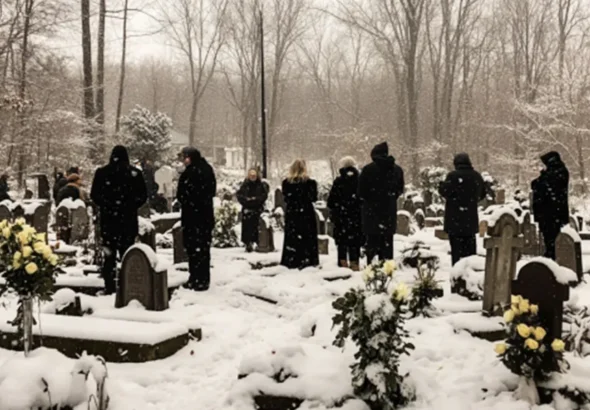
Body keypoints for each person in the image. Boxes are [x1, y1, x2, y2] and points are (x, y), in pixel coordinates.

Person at [90, 146, 147, 294]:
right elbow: (142, 196)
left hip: (109, 220)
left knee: (109, 255)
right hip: (127, 220)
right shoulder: (134, 174)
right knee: (127, 254)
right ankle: (127, 285)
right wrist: (129, 205)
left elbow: (95, 195)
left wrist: (108, 204)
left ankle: (109, 285)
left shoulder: (102, 173)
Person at [176, 147, 216, 291]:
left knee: (195, 249)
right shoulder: (206, 170)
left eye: (185, 158)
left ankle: (196, 278)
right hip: (203, 216)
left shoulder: (191, 173)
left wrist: (190, 200)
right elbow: (211, 191)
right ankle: (201, 278)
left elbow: (181, 195)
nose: (184, 161)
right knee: (201, 249)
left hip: (193, 216)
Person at [358, 142, 404, 263]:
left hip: (371, 214)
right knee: (387, 246)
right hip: (389, 213)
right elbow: (399, 189)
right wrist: (390, 197)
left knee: (372, 246)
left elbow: (361, 192)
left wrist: (371, 199)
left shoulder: (368, 170)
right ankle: (387, 269)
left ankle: (372, 273)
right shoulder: (397, 170)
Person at [438, 153, 486, 266]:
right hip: (470, 220)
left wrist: (441, 186)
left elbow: (445, 192)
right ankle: (469, 277)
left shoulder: (453, 176)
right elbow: (482, 194)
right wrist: (470, 200)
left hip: (454, 220)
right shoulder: (476, 176)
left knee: (456, 253)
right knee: (470, 253)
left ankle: (457, 277)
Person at [280, 159, 319, 269]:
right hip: (306, 212)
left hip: (293, 212)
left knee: (292, 236)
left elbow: (286, 198)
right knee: (308, 236)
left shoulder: (286, 183)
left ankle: (292, 258)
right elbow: (314, 198)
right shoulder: (311, 183)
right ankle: (308, 258)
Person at [532, 151, 570, 260]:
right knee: (548, 236)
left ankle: (552, 256)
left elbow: (541, 185)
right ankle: (550, 254)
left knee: (551, 237)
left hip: (552, 212)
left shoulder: (558, 171)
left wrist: (541, 178)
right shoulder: (554, 171)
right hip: (549, 212)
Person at [327, 157, 362, 270]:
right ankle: (354, 263)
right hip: (356, 217)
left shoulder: (338, 181)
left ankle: (342, 264)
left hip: (341, 217)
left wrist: (337, 209)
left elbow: (331, 201)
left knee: (342, 242)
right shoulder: (359, 180)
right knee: (354, 242)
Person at [237, 168, 269, 252]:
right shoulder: (245, 185)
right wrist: (247, 201)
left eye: (254, 175)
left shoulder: (260, 185)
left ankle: (257, 242)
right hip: (247, 209)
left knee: (256, 227)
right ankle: (248, 243)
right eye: (251, 175)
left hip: (257, 209)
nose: (252, 177)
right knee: (247, 228)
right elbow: (240, 195)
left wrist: (256, 200)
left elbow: (264, 195)